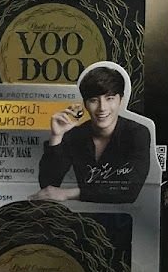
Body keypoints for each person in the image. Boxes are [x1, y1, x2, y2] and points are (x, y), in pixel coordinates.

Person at [34, 66, 151, 204]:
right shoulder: (74, 135)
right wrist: (56, 137)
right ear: (85, 104)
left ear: (121, 100)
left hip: (129, 214)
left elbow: (129, 191)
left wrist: (68, 194)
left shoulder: (137, 133)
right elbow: (48, 187)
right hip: (83, 213)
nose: (102, 108)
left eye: (109, 98)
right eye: (94, 100)